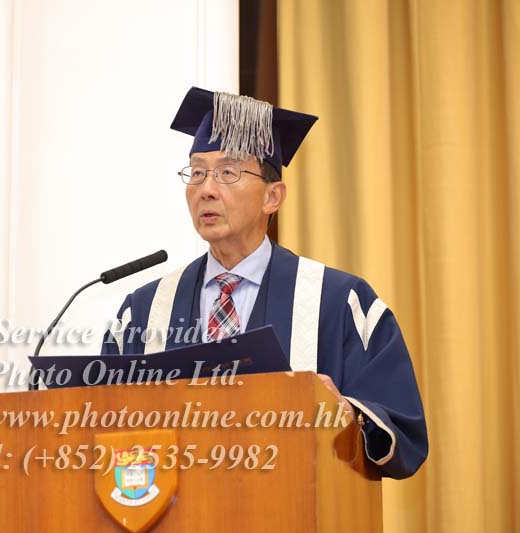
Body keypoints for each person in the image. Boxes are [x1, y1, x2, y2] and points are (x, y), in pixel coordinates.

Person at [101, 86, 428, 479]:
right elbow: (102, 422)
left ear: (273, 197)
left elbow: (401, 429)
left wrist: (348, 414)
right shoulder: (143, 310)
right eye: (197, 172)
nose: (206, 189)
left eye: (227, 173)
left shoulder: (339, 302)